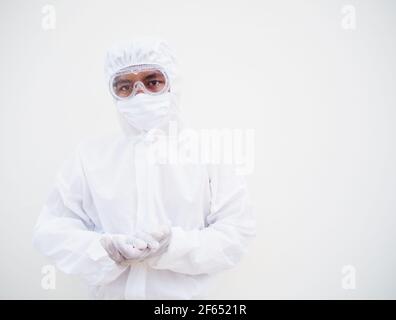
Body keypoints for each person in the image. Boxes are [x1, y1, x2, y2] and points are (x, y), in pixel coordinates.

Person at [33, 38, 256, 299]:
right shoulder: (89, 156)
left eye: (152, 82)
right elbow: (51, 230)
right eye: (124, 86)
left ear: (173, 85)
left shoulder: (210, 153)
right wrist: (102, 249)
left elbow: (237, 231)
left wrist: (174, 247)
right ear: (113, 94)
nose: (139, 94)